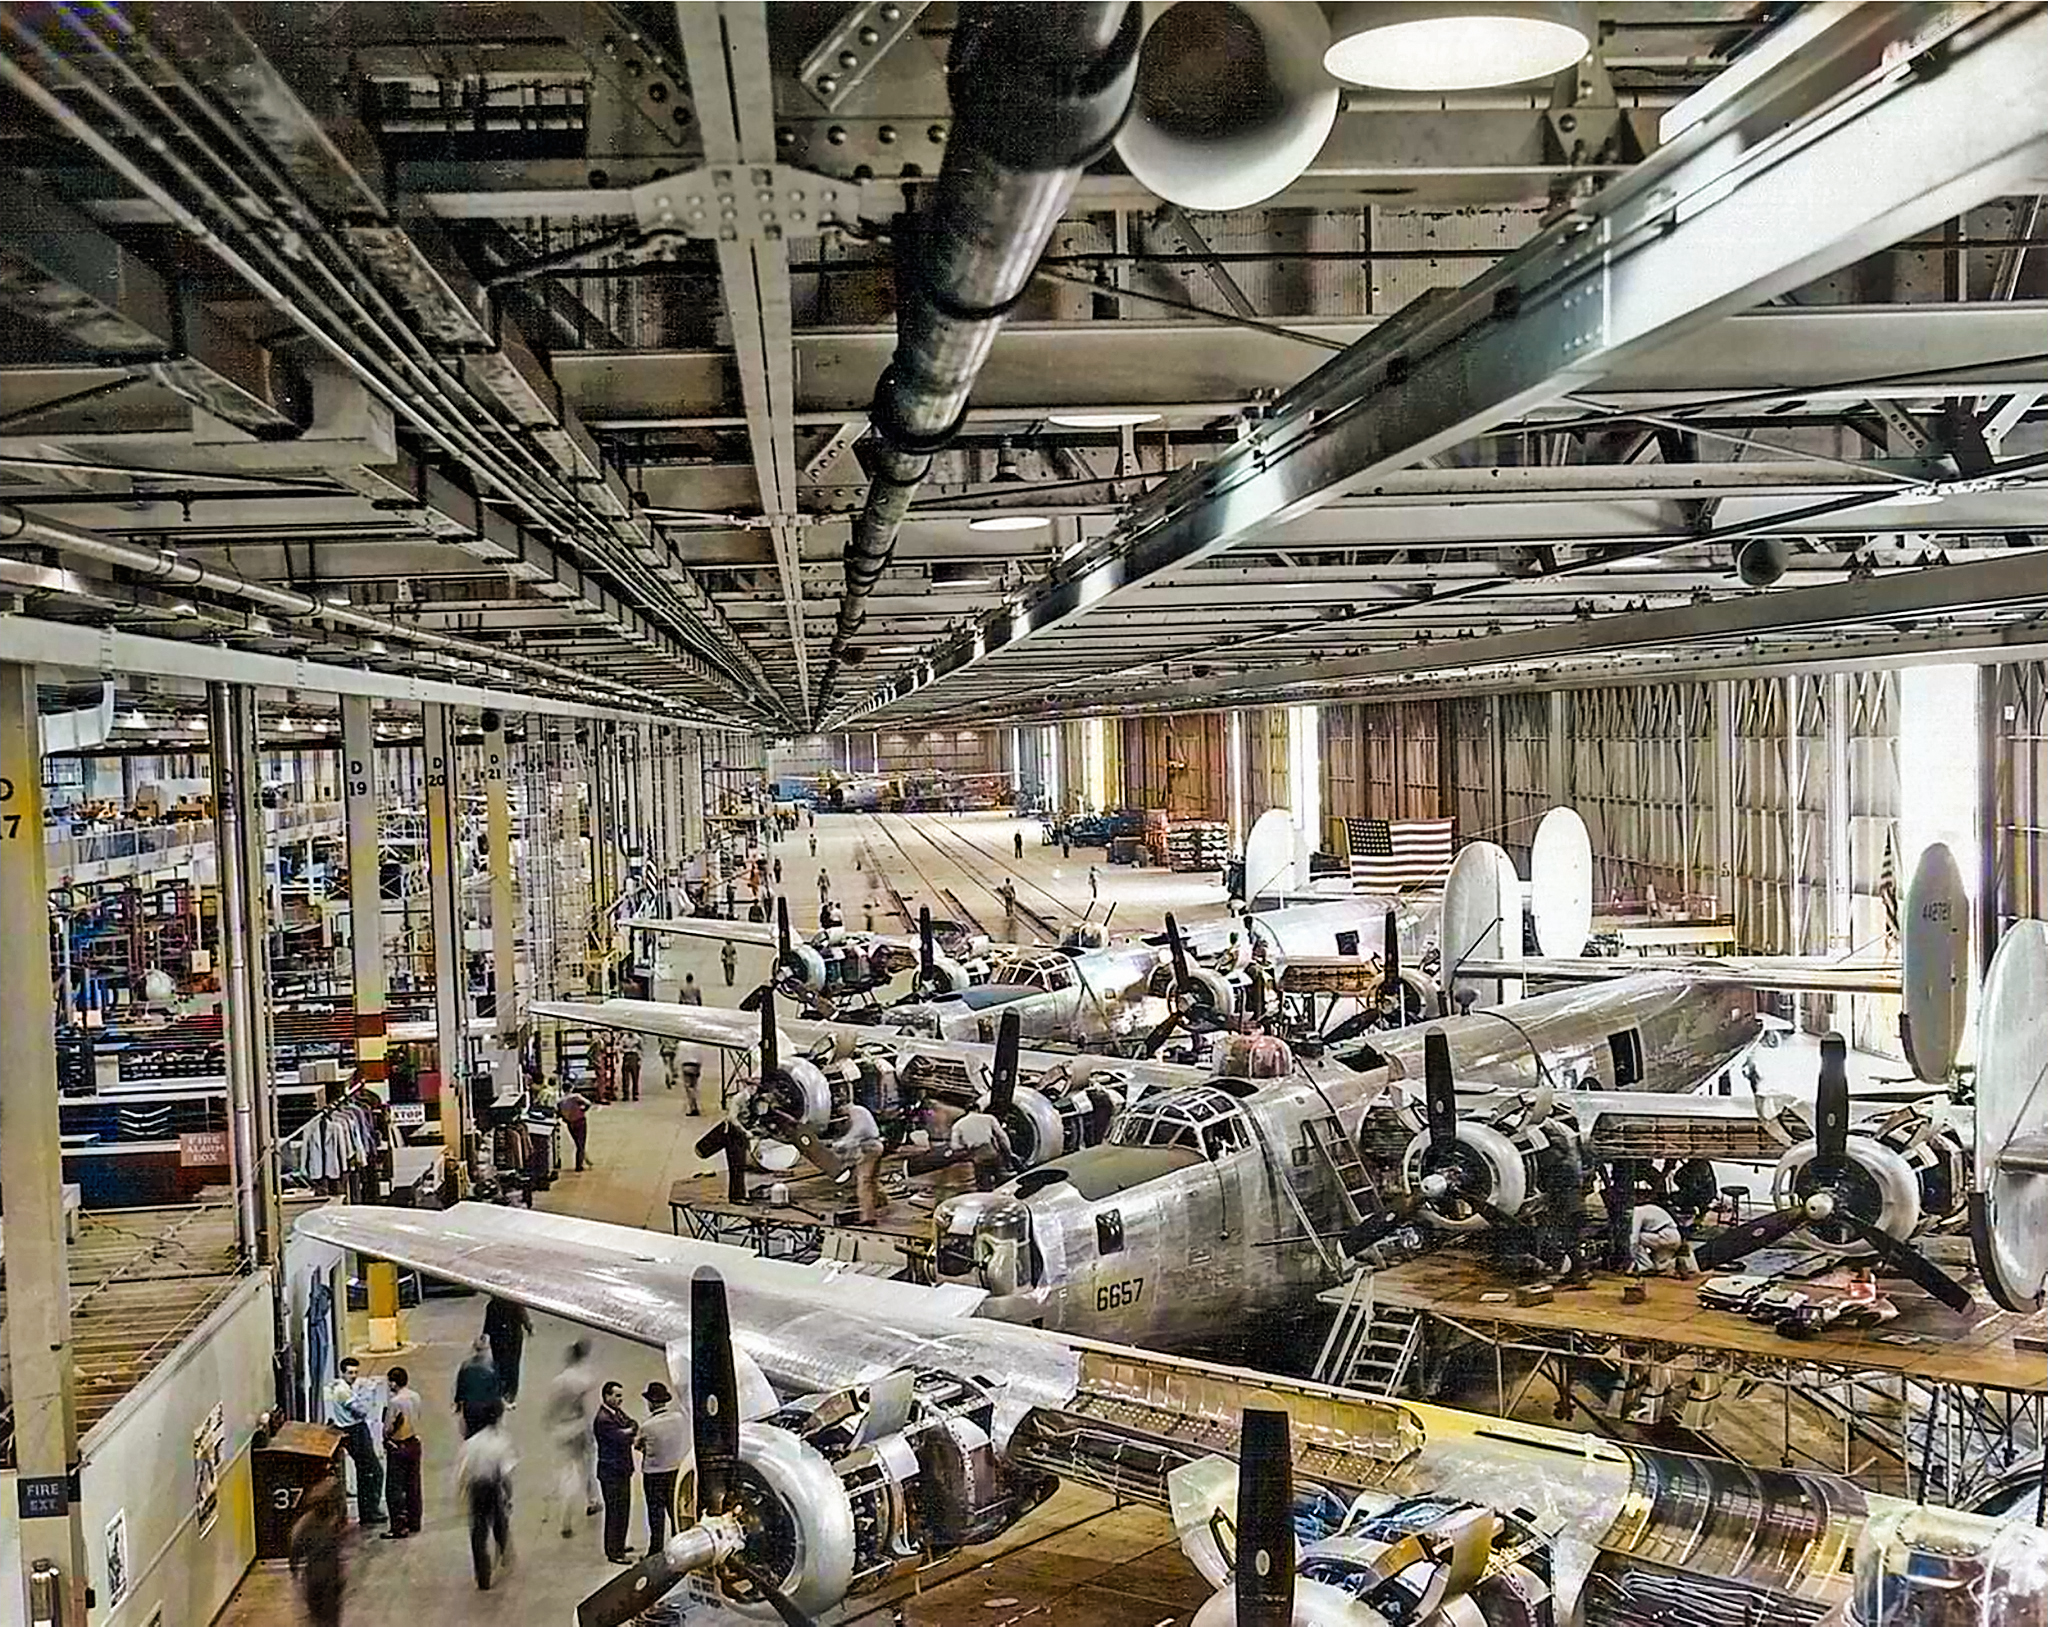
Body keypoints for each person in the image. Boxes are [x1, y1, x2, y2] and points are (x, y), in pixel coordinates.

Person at [545, 1340, 602, 1540]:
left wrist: (550, 1423)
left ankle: (568, 1517)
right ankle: (591, 1501)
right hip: (579, 1426)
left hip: (562, 1429)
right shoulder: (585, 1378)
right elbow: (588, 1406)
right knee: (585, 1467)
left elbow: (551, 1409)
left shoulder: (559, 1381)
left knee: (568, 1471)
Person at [457, 1419, 517, 1590]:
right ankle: (503, 1547)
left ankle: (482, 1573)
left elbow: (463, 1471)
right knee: (499, 1519)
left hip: (476, 1488)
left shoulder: (470, 1443)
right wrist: (508, 1493)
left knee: (478, 1530)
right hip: (493, 1486)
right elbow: (505, 1472)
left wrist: (461, 1492)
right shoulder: (499, 1442)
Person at [325, 1356, 384, 1526]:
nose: (354, 1376)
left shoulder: (339, 1387)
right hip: (354, 1429)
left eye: (356, 1372)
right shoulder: (343, 1391)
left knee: (366, 1471)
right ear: (342, 1373)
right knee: (372, 1471)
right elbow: (361, 1411)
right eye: (350, 1372)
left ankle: (369, 1510)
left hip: (353, 1429)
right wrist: (367, 1399)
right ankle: (370, 1510)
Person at [636, 1381, 689, 1554]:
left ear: (650, 1402)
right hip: (675, 1470)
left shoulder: (647, 1426)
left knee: (655, 1513)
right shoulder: (679, 1419)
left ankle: (656, 1548)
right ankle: (679, 1543)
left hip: (654, 1474)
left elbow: (638, 1445)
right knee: (674, 1509)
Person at [289, 1477, 347, 1627]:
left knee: (320, 1618)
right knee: (327, 1618)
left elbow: (295, 1553)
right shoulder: (328, 1522)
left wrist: (295, 1572)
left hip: (319, 1577)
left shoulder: (305, 1524)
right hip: (323, 1578)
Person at [594, 1380, 639, 1563]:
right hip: (611, 1472)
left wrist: (630, 1429)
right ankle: (614, 1551)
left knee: (624, 1509)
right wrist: (630, 1431)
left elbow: (632, 1424)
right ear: (607, 1396)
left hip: (621, 1469)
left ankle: (619, 1544)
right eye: (617, 1395)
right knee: (615, 1511)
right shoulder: (604, 1420)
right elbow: (621, 1437)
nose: (620, 1399)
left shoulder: (615, 1413)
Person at [381, 1365, 423, 1539]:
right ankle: (414, 1521)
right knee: (413, 1485)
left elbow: (389, 1426)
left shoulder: (395, 1401)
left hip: (399, 1446)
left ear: (393, 1383)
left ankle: (398, 1526)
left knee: (395, 1488)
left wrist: (385, 1436)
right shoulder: (415, 1396)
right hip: (414, 1442)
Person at [950, 1107, 1017, 1192]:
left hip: (977, 1155)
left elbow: (955, 1146)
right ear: (978, 1110)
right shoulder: (989, 1118)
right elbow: (1002, 1137)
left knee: (984, 1185)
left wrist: (968, 1147)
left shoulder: (958, 1124)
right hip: (992, 1152)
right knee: (1004, 1180)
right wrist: (1009, 1153)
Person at [483, 1296, 532, 1407]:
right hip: (513, 1338)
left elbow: (487, 1326)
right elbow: (523, 1316)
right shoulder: (514, 1303)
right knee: (513, 1365)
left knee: (500, 1364)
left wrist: (485, 1336)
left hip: (498, 1340)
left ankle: (502, 1390)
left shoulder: (492, 1305)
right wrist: (529, 1327)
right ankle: (510, 1393)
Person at [454, 1336, 504, 1436]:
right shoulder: (492, 1366)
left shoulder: (465, 1365)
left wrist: (458, 1404)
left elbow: (460, 1387)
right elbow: (497, 1390)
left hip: (470, 1408)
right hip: (487, 1408)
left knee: (471, 1434)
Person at [559, 1084, 593, 1171]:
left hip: (570, 1123)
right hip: (580, 1120)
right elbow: (588, 1103)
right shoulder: (575, 1097)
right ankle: (579, 1165)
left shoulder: (561, 1101)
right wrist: (583, 1110)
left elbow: (559, 1113)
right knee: (581, 1144)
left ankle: (584, 1160)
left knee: (577, 1143)